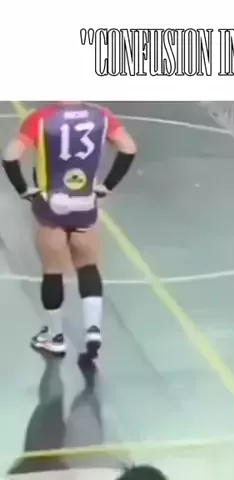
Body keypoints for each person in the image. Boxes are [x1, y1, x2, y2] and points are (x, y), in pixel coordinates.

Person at [2, 102, 137, 358]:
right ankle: (93, 329)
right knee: (88, 265)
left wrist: (23, 189)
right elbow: (128, 148)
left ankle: (55, 336)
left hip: (51, 205)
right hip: (84, 204)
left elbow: (10, 156)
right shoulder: (102, 116)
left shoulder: (40, 118)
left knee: (52, 271)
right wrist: (107, 185)